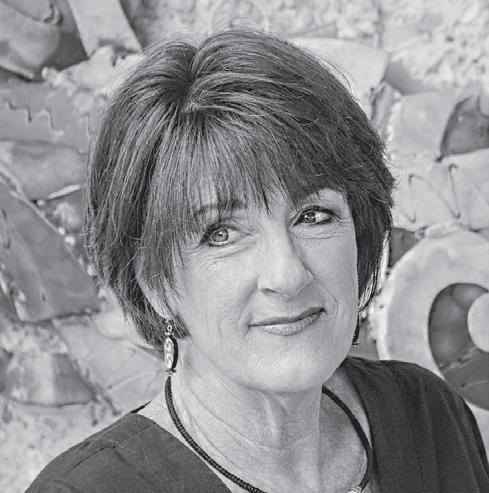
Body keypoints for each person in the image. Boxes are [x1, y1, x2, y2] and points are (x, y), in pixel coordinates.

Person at [27, 28, 488, 493]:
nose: (287, 275)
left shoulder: (426, 414)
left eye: (313, 215)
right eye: (222, 234)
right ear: (156, 284)